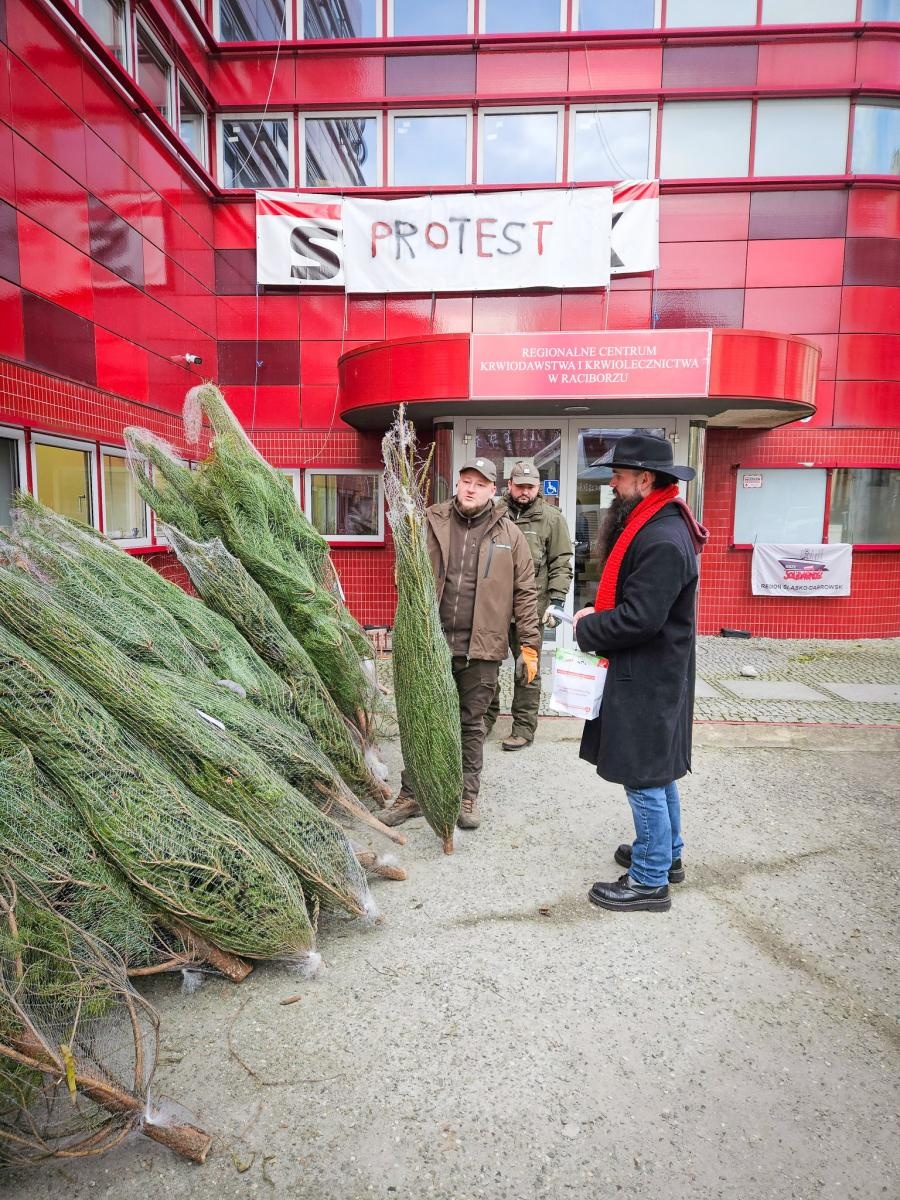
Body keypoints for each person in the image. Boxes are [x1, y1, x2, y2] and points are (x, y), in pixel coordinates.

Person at [572, 433, 708, 913]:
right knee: (658, 768)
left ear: (644, 480)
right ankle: (666, 854)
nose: (613, 484)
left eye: (619, 476)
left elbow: (640, 618)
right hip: (655, 670)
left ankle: (650, 880)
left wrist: (589, 626)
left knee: (643, 775)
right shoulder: (658, 523)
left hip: (649, 674)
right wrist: (599, 611)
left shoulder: (661, 536)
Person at [381, 456, 540, 831]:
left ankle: (465, 795)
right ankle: (414, 793)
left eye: (480, 484)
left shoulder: (510, 535)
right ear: (457, 484)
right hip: (429, 643)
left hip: (481, 648)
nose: (471, 488)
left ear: (493, 491)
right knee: (423, 721)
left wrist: (529, 646)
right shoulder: (430, 521)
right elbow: (405, 572)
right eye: (466, 481)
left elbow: (525, 594)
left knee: (470, 725)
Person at [484, 459, 574, 751]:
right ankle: (485, 719)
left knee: (528, 669)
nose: (524, 492)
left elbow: (561, 563)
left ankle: (523, 728)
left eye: (530, 487)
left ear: (538, 488)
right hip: (493, 608)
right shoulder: (492, 513)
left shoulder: (552, 518)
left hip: (530, 611)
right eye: (519, 486)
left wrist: (557, 600)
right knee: (484, 669)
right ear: (508, 485)